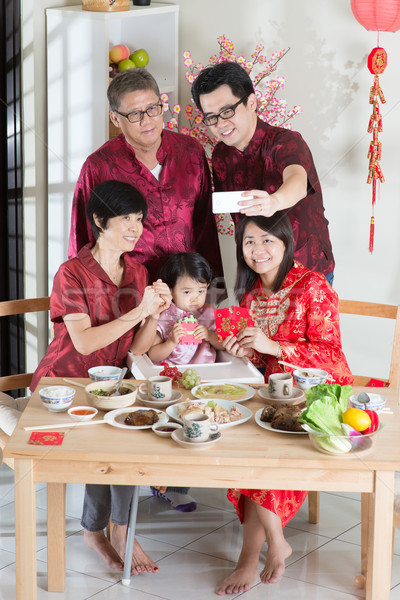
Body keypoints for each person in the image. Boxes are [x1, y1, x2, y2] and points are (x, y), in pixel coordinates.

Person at [31, 180, 171, 573]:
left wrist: (155, 315)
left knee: (129, 438)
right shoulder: (71, 273)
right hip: (66, 382)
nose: (135, 227)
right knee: (110, 442)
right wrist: (136, 311)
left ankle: (115, 528)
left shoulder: (138, 272)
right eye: (125, 218)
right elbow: (85, 342)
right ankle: (101, 531)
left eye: (139, 219)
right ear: (98, 219)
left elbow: (139, 346)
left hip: (115, 383)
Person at [218, 212, 352, 594]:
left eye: (267, 241)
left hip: (319, 395)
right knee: (244, 441)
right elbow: (261, 362)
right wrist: (243, 349)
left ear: (285, 243)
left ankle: (257, 554)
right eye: (249, 242)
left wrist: (272, 346)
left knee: (264, 449)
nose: (257, 250)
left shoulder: (313, 286)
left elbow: (334, 359)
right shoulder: (251, 295)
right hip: (273, 396)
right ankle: (272, 545)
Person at [68, 68, 224, 290]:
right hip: (126, 296)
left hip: (186, 295)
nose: (147, 120)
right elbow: (83, 237)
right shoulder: (98, 166)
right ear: (115, 118)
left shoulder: (190, 151)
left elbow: (204, 228)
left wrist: (212, 293)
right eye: (134, 114)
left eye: (153, 109)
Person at [191, 61, 335, 285]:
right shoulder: (220, 155)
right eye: (211, 117)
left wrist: (274, 201)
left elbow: (297, 181)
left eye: (227, 111)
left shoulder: (286, 142)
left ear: (251, 102)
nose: (221, 124)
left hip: (306, 269)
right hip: (255, 276)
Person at [147, 252, 224, 365]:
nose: (195, 298)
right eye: (187, 292)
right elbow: (153, 355)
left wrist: (210, 336)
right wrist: (171, 342)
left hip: (206, 372)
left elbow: (224, 345)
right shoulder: (164, 314)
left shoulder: (209, 312)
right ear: (170, 289)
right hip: (172, 372)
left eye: (201, 291)